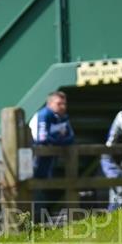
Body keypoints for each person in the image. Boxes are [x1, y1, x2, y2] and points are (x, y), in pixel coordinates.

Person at [31, 90, 75, 220]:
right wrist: (60, 141)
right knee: (36, 187)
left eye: (64, 104)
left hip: (49, 159)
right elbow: (42, 139)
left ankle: (41, 219)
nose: (63, 107)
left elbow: (71, 138)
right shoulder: (44, 115)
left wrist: (56, 142)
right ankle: (35, 219)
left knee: (45, 187)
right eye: (59, 103)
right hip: (36, 159)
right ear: (50, 104)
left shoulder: (63, 117)